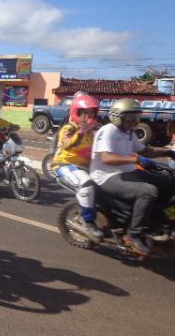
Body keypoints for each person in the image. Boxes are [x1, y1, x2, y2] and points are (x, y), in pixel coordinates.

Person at [90, 98, 175, 255]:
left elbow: (144, 150)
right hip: (107, 176)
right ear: (117, 116)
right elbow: (106, 158)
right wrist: (135, 159)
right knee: (148, 191)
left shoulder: (129, 132)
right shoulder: (108, 131)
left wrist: (167, 152)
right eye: (131, 117)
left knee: (168, 181)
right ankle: (134, 234)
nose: (135, 121)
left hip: (128, 172)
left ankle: (156, 221)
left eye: (137, 117)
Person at [52, 95, 104, 242]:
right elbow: (67, 144)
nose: (88, 116)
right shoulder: (69, 128)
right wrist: (81, 131)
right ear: (77, 113)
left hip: (85, 167)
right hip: (64, 165)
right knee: (87, 184)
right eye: (84, 113)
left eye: (91, 113)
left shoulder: (92, 133)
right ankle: (88, 222)